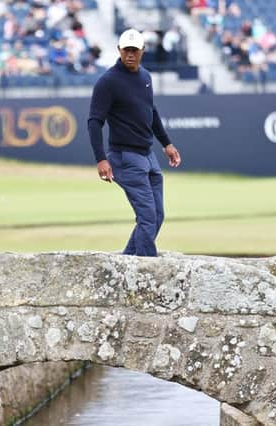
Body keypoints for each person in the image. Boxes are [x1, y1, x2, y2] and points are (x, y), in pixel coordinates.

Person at [87, 28, 181, 257]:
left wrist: (166, 143)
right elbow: (94, 121)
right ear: (119, 50)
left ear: (142, 51)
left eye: (134, 50)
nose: (130, 54)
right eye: (126, 50)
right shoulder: (107, 82)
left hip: (147, 155)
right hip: (124, 157)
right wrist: (101, 159)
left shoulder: (146, 77)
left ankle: (129, 261)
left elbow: (152, 112)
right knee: (148, 216)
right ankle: (147, 268)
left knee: (157, 216)